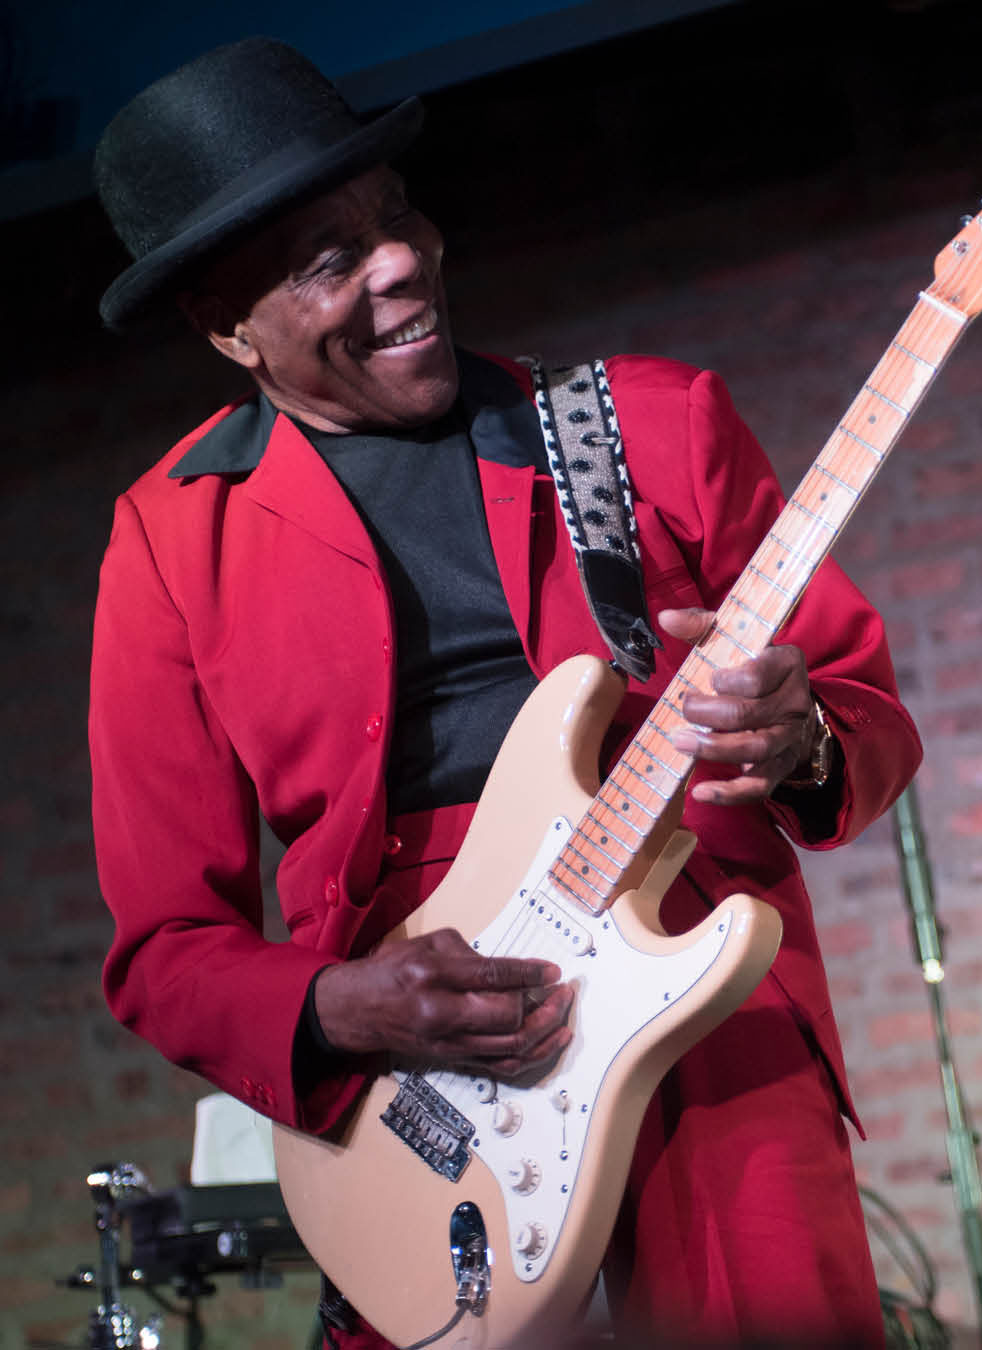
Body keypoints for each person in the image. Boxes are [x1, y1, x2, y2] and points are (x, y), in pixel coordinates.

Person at [86, 39, 916, 1346]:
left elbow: (863, 704)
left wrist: (803, 736)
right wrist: (345, 1004)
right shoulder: (168, 546)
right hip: (420, 1111)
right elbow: (163, 948)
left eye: (395, 213)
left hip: (700, 1023)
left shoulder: (651, 426)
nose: (402, 259)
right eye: (325, 256)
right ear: (224, 322)